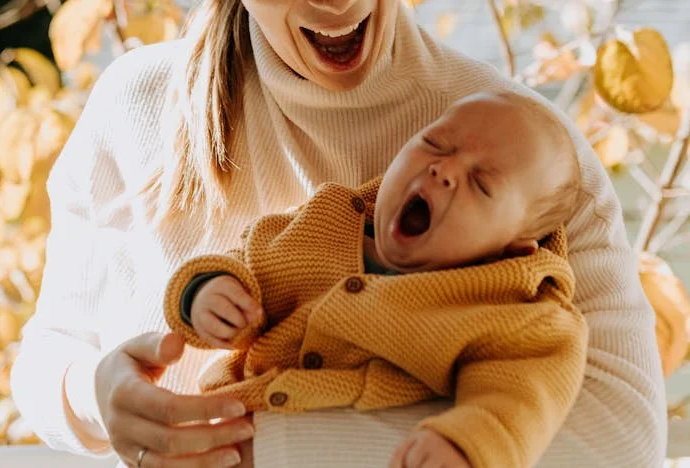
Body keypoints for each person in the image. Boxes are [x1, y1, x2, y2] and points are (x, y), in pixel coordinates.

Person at [9, 0, 667, 466]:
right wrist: (95, 396)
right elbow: (49, 349)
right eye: (433, 147)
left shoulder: (527, 150)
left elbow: (622, 440)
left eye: (478, 183)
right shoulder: (132, 104)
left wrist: (261, 450)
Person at [164, 90, 589, 468]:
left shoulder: (507, 312)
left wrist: (465, 445)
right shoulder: (319, 224)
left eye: (480, 184)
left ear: (512, 248)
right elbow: (243, 260)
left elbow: (520, 397)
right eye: (434, 143)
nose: (443, 170)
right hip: (211, 433)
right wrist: (206, 291)